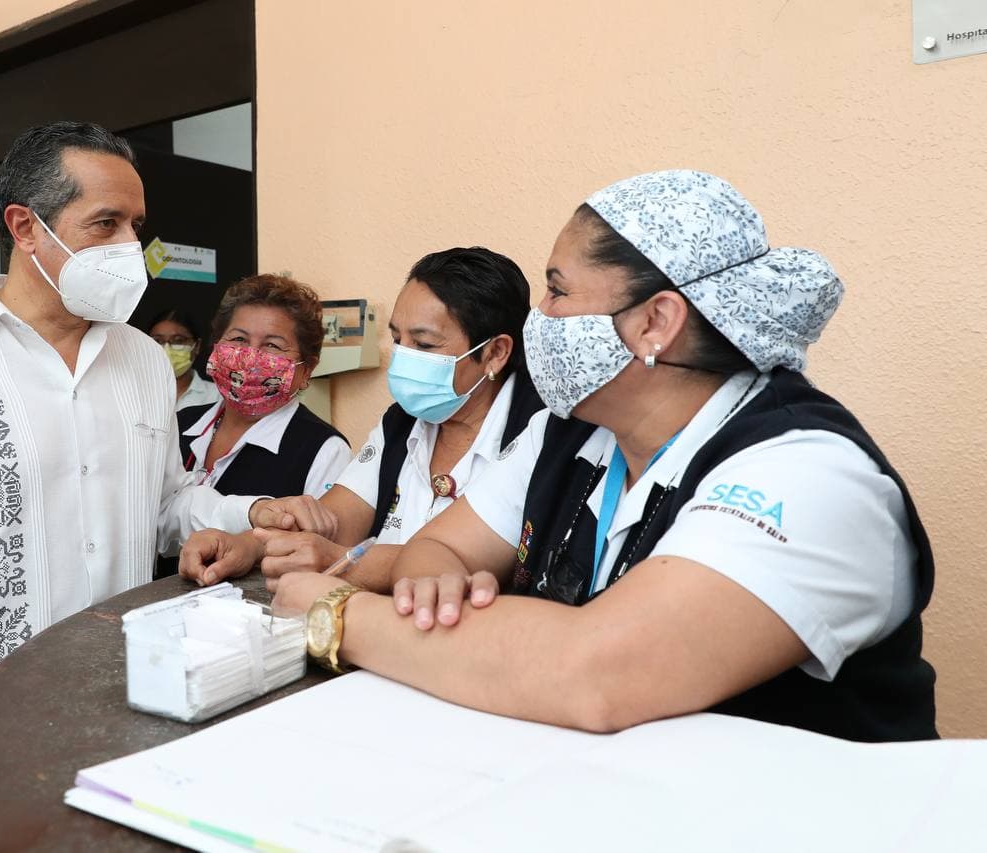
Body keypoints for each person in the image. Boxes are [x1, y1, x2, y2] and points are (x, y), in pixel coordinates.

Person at [0, 122, 334, 852]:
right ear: (25, 227)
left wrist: (251, 513)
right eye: (105, 224)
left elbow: (163, 507)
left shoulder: (145, 363)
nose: (128, 247)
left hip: (122, 747)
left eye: (136, 226)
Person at [274, 170, 937, 743]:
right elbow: (436, 549)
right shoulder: (570, 431)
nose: (540, 317)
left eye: (558, 292)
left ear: (655, 321)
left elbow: (592, 672)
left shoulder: (807, 472)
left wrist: (336, 611)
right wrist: (436, 591)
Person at [179, 247, 542, 590]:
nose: (403, 357)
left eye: (425, 345)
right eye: (398, 339)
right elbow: (334, 521)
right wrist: (248, 545)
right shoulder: (400, 425)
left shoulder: (534, 436)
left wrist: (340, 561)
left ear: (495, 352)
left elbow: (463, 562)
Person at [178, 274, 350, 499]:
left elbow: (317, 534)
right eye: (239, 339)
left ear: (306, 370)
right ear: (217, 345)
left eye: (272, 345)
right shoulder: (179, 424)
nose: (250, 357)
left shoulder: (324, 451)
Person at [147, 307, 220, 411]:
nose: (167, 349)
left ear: (197, 346)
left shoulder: (216, 396)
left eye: (178, 340)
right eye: (158, 341)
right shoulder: (134, 394)